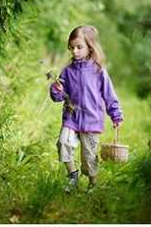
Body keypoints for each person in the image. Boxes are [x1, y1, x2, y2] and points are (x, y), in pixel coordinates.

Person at [50, 25, 123, 193]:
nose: (74, 51)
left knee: (88, 157)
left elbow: (109, 94)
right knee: (63, 143)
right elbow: (59, 96)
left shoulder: (98, 70)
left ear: (90, 47)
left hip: (91, 119)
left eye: (79, 47)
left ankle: (93, 183)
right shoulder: (67, 71)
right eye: (72, 47)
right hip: (71, 117)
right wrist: (56, 90)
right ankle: (72, 175)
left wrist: (116, 115)